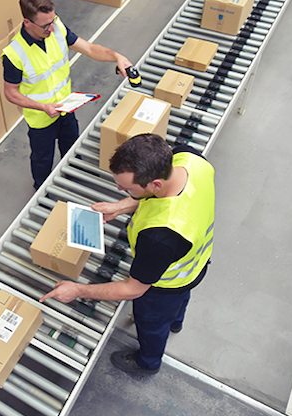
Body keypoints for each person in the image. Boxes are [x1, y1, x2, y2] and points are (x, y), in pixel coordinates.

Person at [40, 134, 215, 374]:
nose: (121, 190)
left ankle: (148, 362)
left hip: (166, 284)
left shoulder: (160, 236)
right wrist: (119, 207)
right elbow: (161, 195)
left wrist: (77, 290)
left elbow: (134, 289)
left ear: (154, 184)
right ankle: (176, 322)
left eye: (128, 188)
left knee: (152, 323)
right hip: (195, 263)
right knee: (180, 302)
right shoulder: (190, 159)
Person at [2, 0, 133, 190]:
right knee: (42, 159)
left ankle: (74, 174)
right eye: (45, 24)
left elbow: (88, 48)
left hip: (66, 107)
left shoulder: (57, 28)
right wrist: (42, 106)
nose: (51, 27)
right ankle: (42, 192)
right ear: (27, 22)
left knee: (71, 146)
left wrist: (116, 56)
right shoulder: (14, 53)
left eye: (53, 20)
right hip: (41, 118)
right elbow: (11, 93)